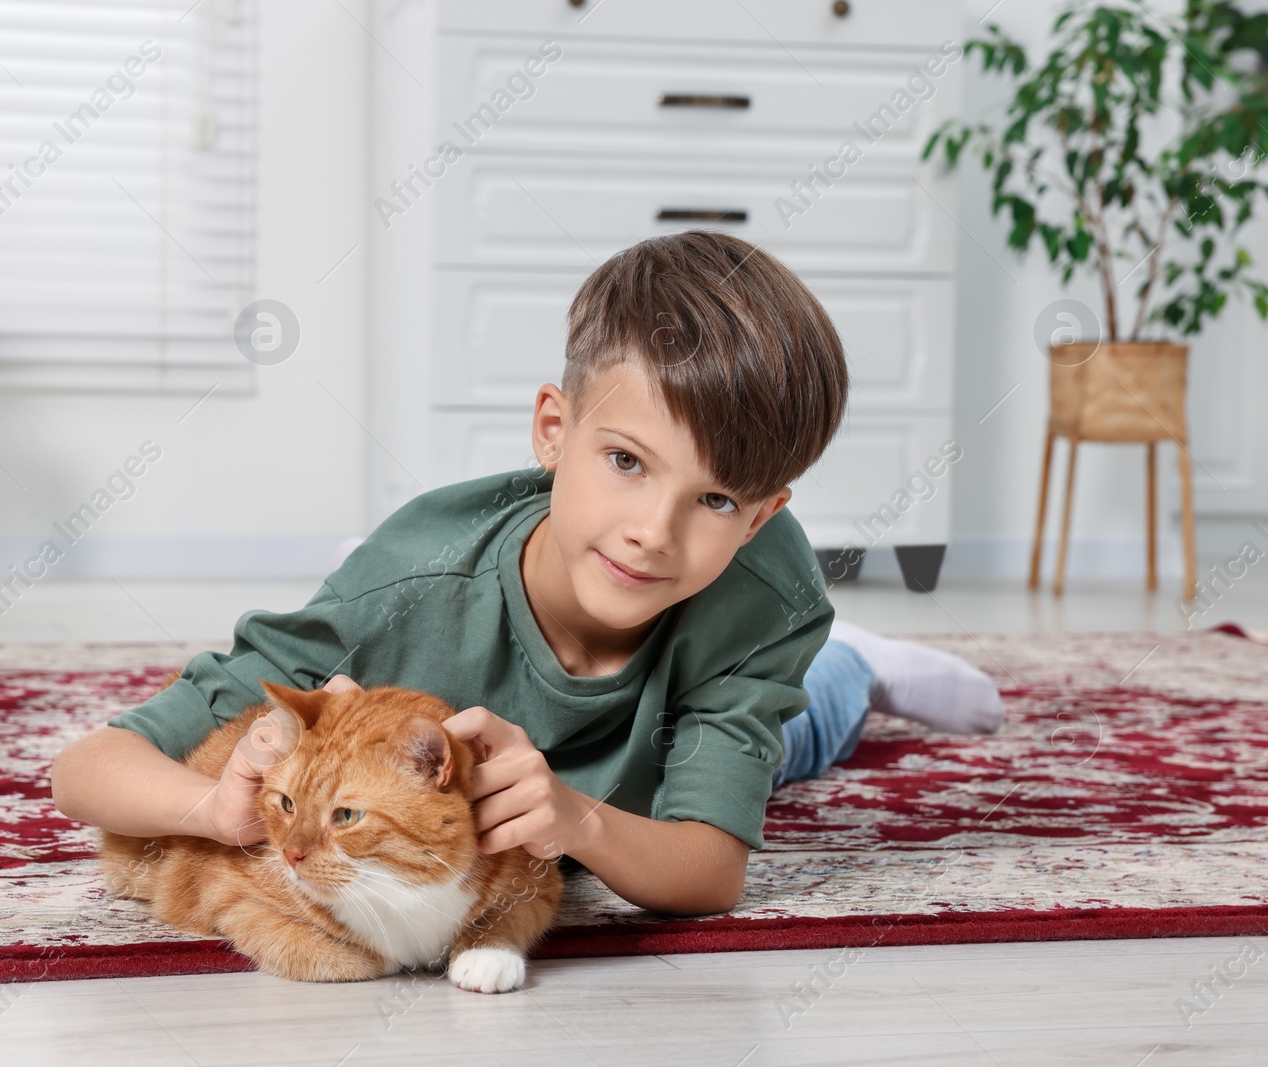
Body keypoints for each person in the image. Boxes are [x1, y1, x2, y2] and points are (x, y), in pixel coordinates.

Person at [51, 230, 1003, 918]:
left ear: (761, 518)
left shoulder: (764, 595)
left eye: (715, 502)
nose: (652, 535)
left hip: (690, 704)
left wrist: (579, 820)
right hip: (445, 595)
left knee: (805, 731)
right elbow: (85, 767)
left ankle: (858, 662)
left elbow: (709, 875)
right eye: (626, 461)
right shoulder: (398, 594)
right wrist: (212, 806)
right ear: (554, 429)